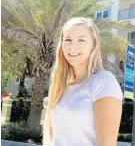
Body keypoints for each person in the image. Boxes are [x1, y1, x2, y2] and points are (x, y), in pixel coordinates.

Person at [43, 17, 123, 146]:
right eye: (68, 40)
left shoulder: (103, 81)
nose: (73, 46)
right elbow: (49, 132)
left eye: (81, 40)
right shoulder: (60, 87)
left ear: (94, 45)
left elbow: (106, 143)